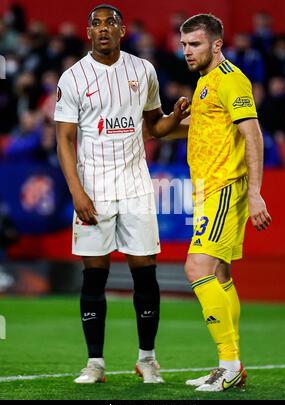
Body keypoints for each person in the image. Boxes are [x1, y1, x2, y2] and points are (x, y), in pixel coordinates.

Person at [54, 4, 189, 385]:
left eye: (110, 23)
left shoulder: (143, 70)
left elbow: (154, 128)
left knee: (145, 274)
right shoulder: (74, 77)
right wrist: (76, 191)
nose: (102, 30)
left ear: (122, 30)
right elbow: (64, 139)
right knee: (94, 277)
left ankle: (147, 359)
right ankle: (95, 364)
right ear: (87, 32)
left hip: (135, 187)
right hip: (92, 190)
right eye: (96, 24)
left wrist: (175, 119)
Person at [173, 14, 272, 392]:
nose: (187, 51)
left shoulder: (231, 79)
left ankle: (229, 365)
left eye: (194, 44)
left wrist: (257, 192)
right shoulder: (204, 83)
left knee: (197, 267)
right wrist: (159, 124)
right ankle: (230, 365)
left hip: (224, 187)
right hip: (208, 190)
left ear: (216, 44)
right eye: (183, 45)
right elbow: (204, 128)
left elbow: (253, 134)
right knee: (221, 275)